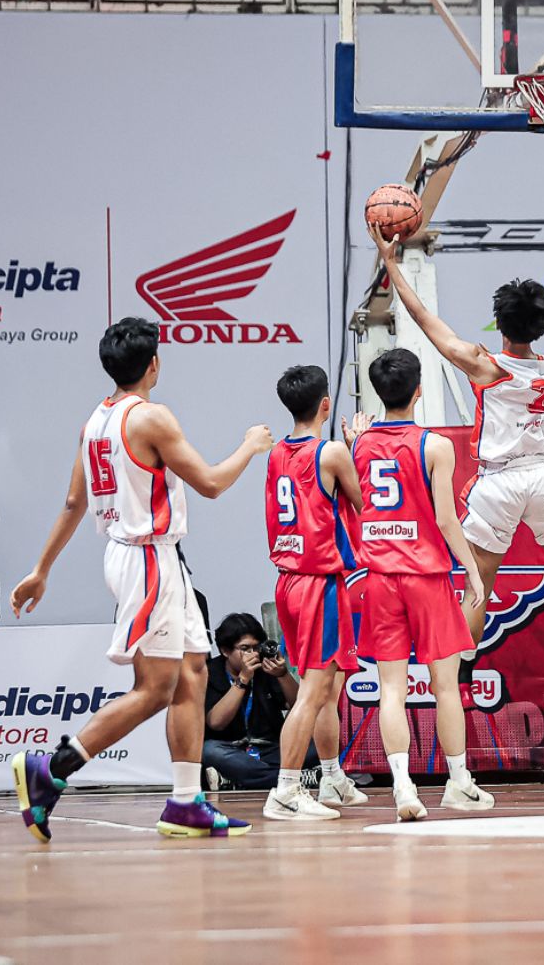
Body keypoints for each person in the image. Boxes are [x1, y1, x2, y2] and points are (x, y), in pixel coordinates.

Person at [9, 317, 273, 841]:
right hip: (147, 559)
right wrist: (251, 444)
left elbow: (72, 502)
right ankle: (51, 770)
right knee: (156, 689)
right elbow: (213, 484)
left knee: (195, 671)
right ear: (153, 364)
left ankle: (185, 803)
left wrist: (42, 569)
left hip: (149, 556)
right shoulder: (151, 418)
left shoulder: (95, 422)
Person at [369, 226, 544, 709]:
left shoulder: (485, 364)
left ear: (499, 320)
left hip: (498, 482)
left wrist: (391, 264)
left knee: (479, 584)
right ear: (543, 324)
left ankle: (463, 679)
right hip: (543, 476)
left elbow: (429, 323)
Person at [346, 348, 492, 821]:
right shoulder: (436, 445)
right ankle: (458, 783)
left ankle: (403, 789)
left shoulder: (360, 444)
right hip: (426, 577)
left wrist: (357, 440)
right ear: (419, 389)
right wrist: (471, 570)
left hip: (381, 579)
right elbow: (449, 521)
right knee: (445, 686)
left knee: (392, 689)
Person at [261, 364, 369, 820]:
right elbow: (364, 500)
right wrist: (358, 444)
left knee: (328, 686)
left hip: (288, 579)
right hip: (319, 581)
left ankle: (331, 777)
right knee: (314, 689)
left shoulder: (276, 453)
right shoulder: (332, 453)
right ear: (326, 404)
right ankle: (286, 789)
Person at [203, 613, 306, 790]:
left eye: (256, 647)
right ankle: (298, 779)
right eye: (245, 648)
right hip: (230, 748)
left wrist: (283, 674)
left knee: (316, 744)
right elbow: (216, 722)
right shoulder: (210, 672)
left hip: (269, 748)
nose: (253, 654)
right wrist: (243, 679)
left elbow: (299, 707)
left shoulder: (265, 668)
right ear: (225, 651)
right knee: (209, 751)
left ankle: (233, 780)